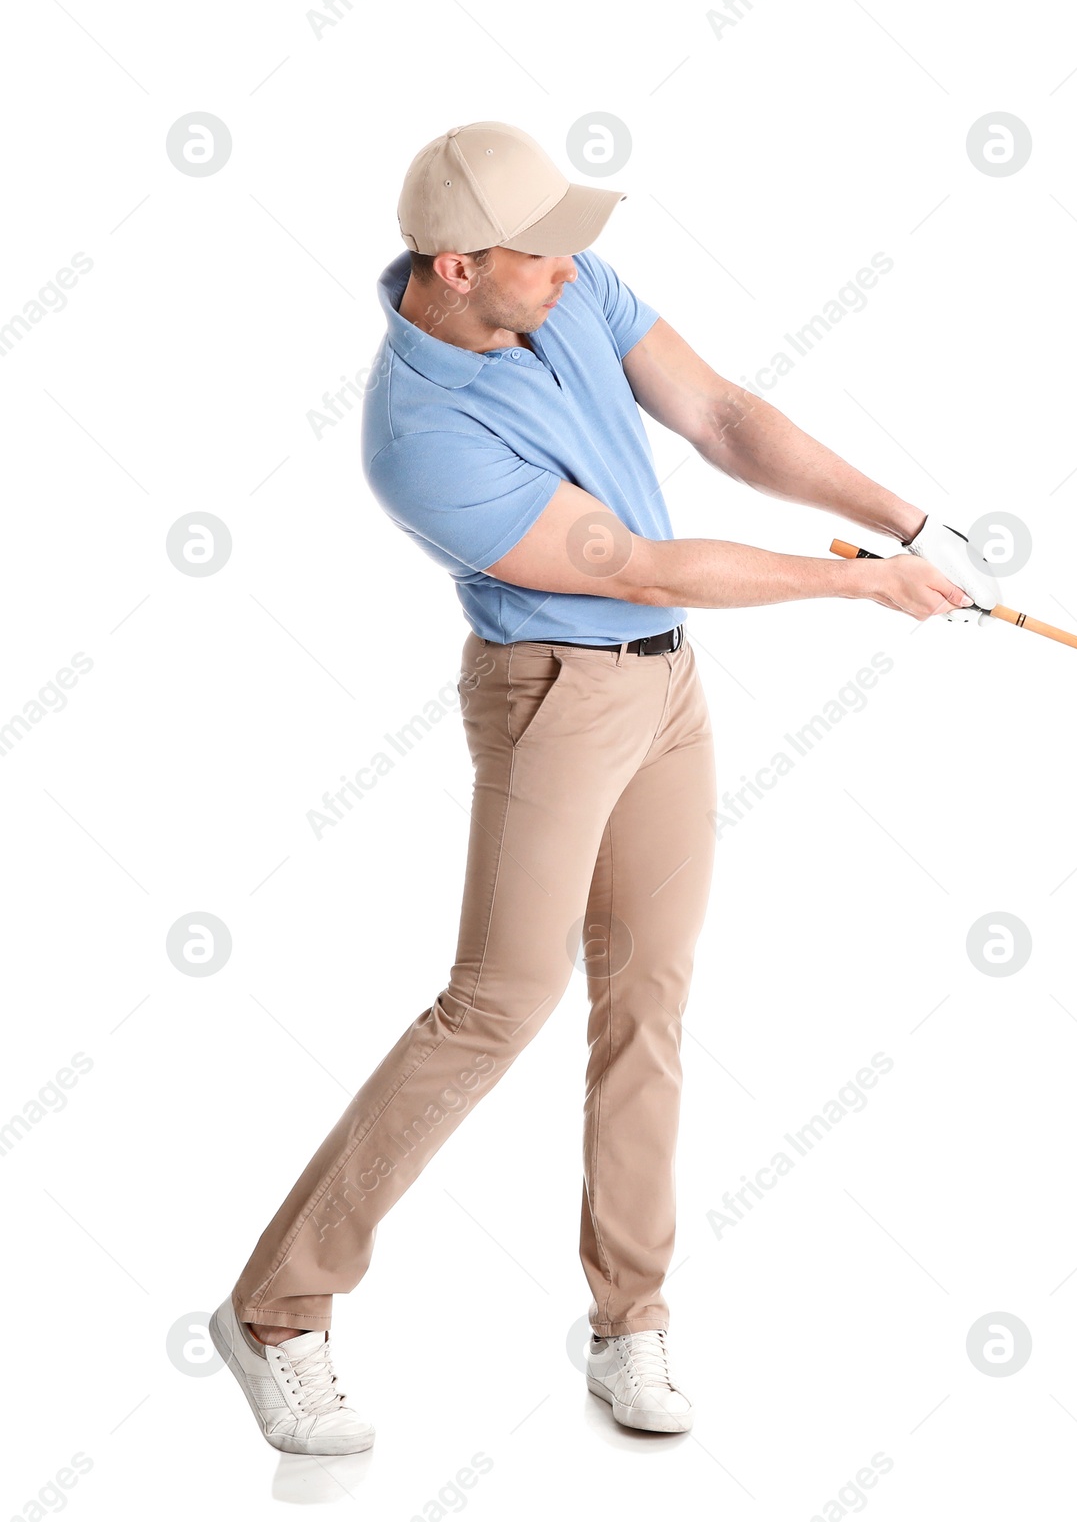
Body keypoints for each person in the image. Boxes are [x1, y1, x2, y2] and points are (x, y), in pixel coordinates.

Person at [209, 119, 1001, 1451]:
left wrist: (912, 522)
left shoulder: (564, 284)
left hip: (667, 691)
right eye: (544, 251)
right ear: (457, 269)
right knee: (496, 1004)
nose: (578, 270)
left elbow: (725, 416)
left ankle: (629, 1319)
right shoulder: (421, 436)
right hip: (555, 701)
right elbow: (630, 564)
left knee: (649, 996)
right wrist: (858, 582)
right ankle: (279, 1306)